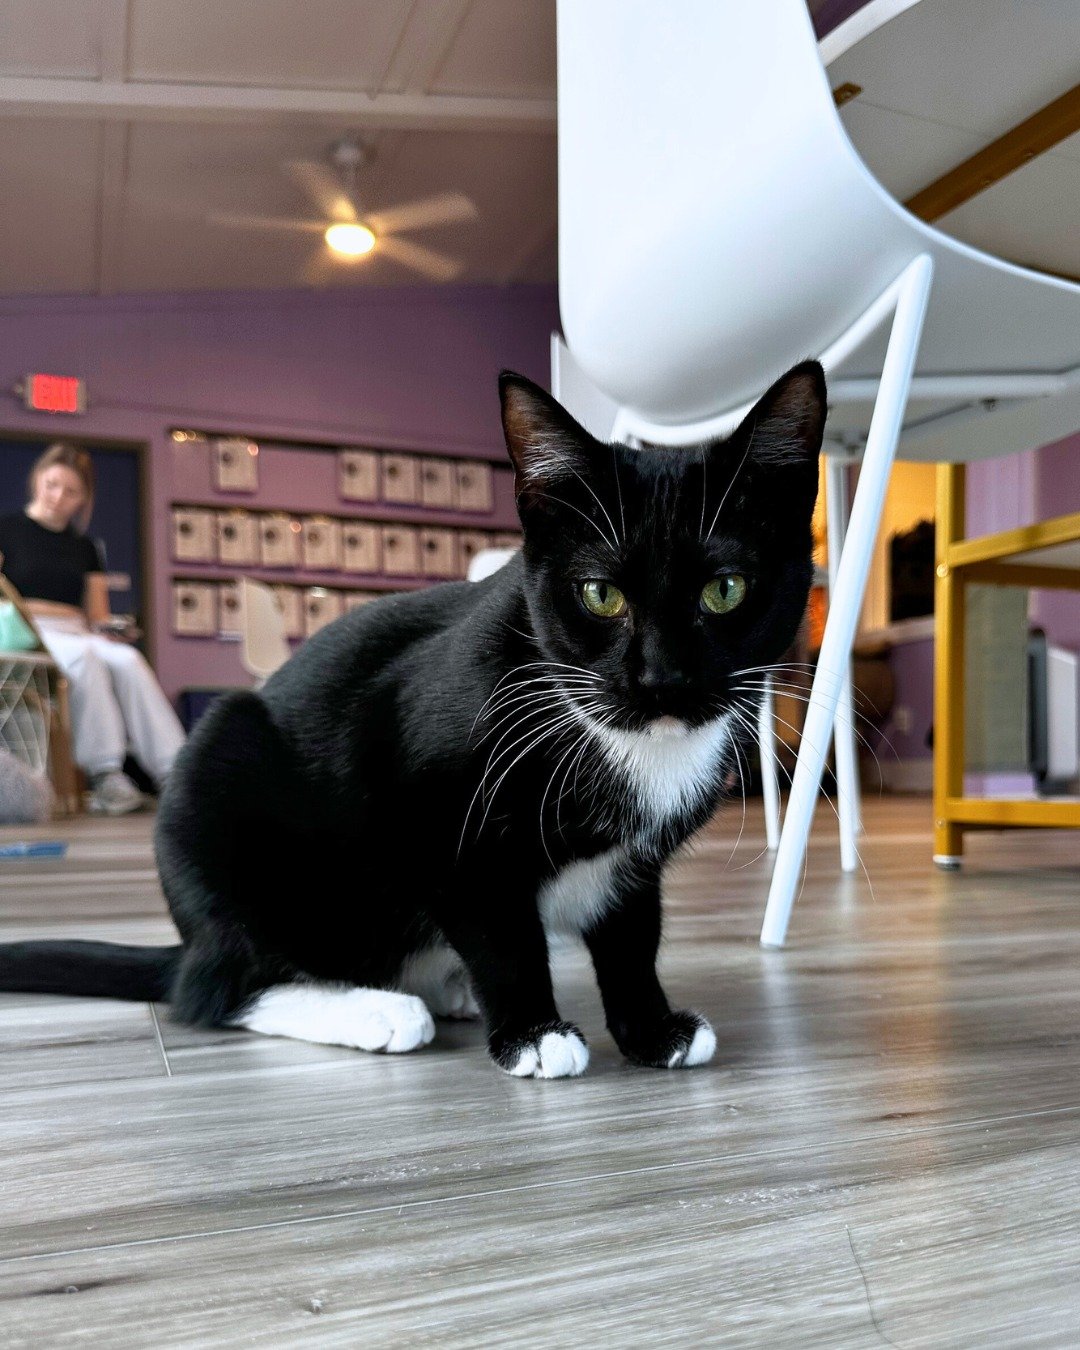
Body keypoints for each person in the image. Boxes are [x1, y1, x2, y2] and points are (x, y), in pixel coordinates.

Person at [0, 443, 184, 814]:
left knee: (129, 659)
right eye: (52, 485)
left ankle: (177, 771)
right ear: (37, 480)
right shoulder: (6, 529)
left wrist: (114, 629)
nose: (58, 497)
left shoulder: (86, 547)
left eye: (70, 492)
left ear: (83, 499)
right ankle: (106, 775)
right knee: (86, 660)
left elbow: (97, 614)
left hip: (77, 630)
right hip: (28, 631)